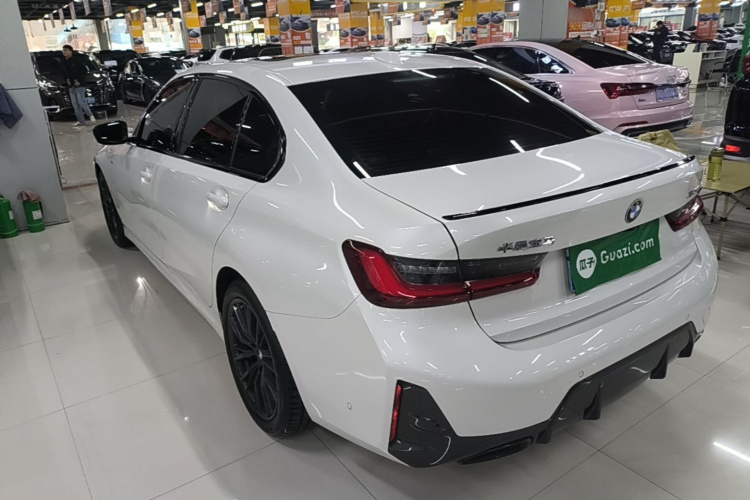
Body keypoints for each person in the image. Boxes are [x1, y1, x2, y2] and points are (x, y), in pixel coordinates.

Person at [62, 45, 96, 127]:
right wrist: (67, 79)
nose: (64, 52)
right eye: (63, 50)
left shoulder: (77, 60)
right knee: (75, 104)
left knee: (81, 101)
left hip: (80, 84)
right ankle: (81, 121)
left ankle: (90, 115)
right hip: (71, 85)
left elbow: (84, 71)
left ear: (70, 51)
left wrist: (79, 80)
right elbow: (65, 72)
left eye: (66, 50)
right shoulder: (64, 61)